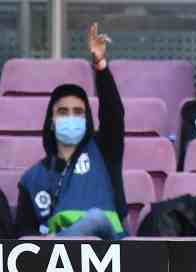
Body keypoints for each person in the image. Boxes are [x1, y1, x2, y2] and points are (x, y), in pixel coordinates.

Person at [15, 23, 127, 239]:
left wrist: (100, 66)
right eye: (63, 112)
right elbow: (24, 238)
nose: (71, 117)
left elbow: (114, 114)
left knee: (95, 218)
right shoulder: (32, 179)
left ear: (87, 119)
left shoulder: (104, 151)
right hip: (62, 264)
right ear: (51, 121)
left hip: (111, 251)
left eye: (78, 112)